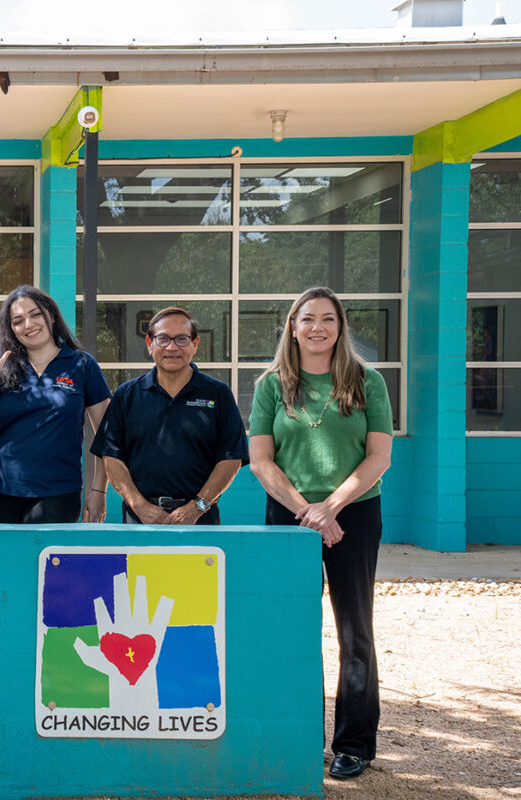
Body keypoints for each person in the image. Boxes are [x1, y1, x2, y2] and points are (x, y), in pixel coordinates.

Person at [248, 287, 392, 780]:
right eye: (307, 319)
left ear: (340, 326)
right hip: (288, 514)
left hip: (353, 515)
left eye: (327, 319)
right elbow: (260, 461)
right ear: (292, 326)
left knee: (355, 632)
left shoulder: (367, 382)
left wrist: (330, 508)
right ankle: (296, 737)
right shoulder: (272, 385)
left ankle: (353, 744)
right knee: (290, 629)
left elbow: (379, 458)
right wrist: (307, 510)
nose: (317, 328)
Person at [90, 307, 248, 525]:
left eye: (181, 339)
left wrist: (196, 508)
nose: (172, 347)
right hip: (140, 520)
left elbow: (231, 458)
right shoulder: (127, 395)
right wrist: (140, 506)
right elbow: (111, 456)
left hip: (201, 521)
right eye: (162, 339)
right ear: (149, 344)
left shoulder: (217, 394)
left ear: (195, 344)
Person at [0, 285, 110, 524]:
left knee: (46, 560)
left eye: (35, 314)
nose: (29, 325)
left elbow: (105, 434)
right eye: (18, 321)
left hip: (59, 491)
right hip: (0, 489)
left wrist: (99, 491)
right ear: (11, 329)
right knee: (5, 561)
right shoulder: (4, 367)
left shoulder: (81, 365)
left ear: (51, 316)